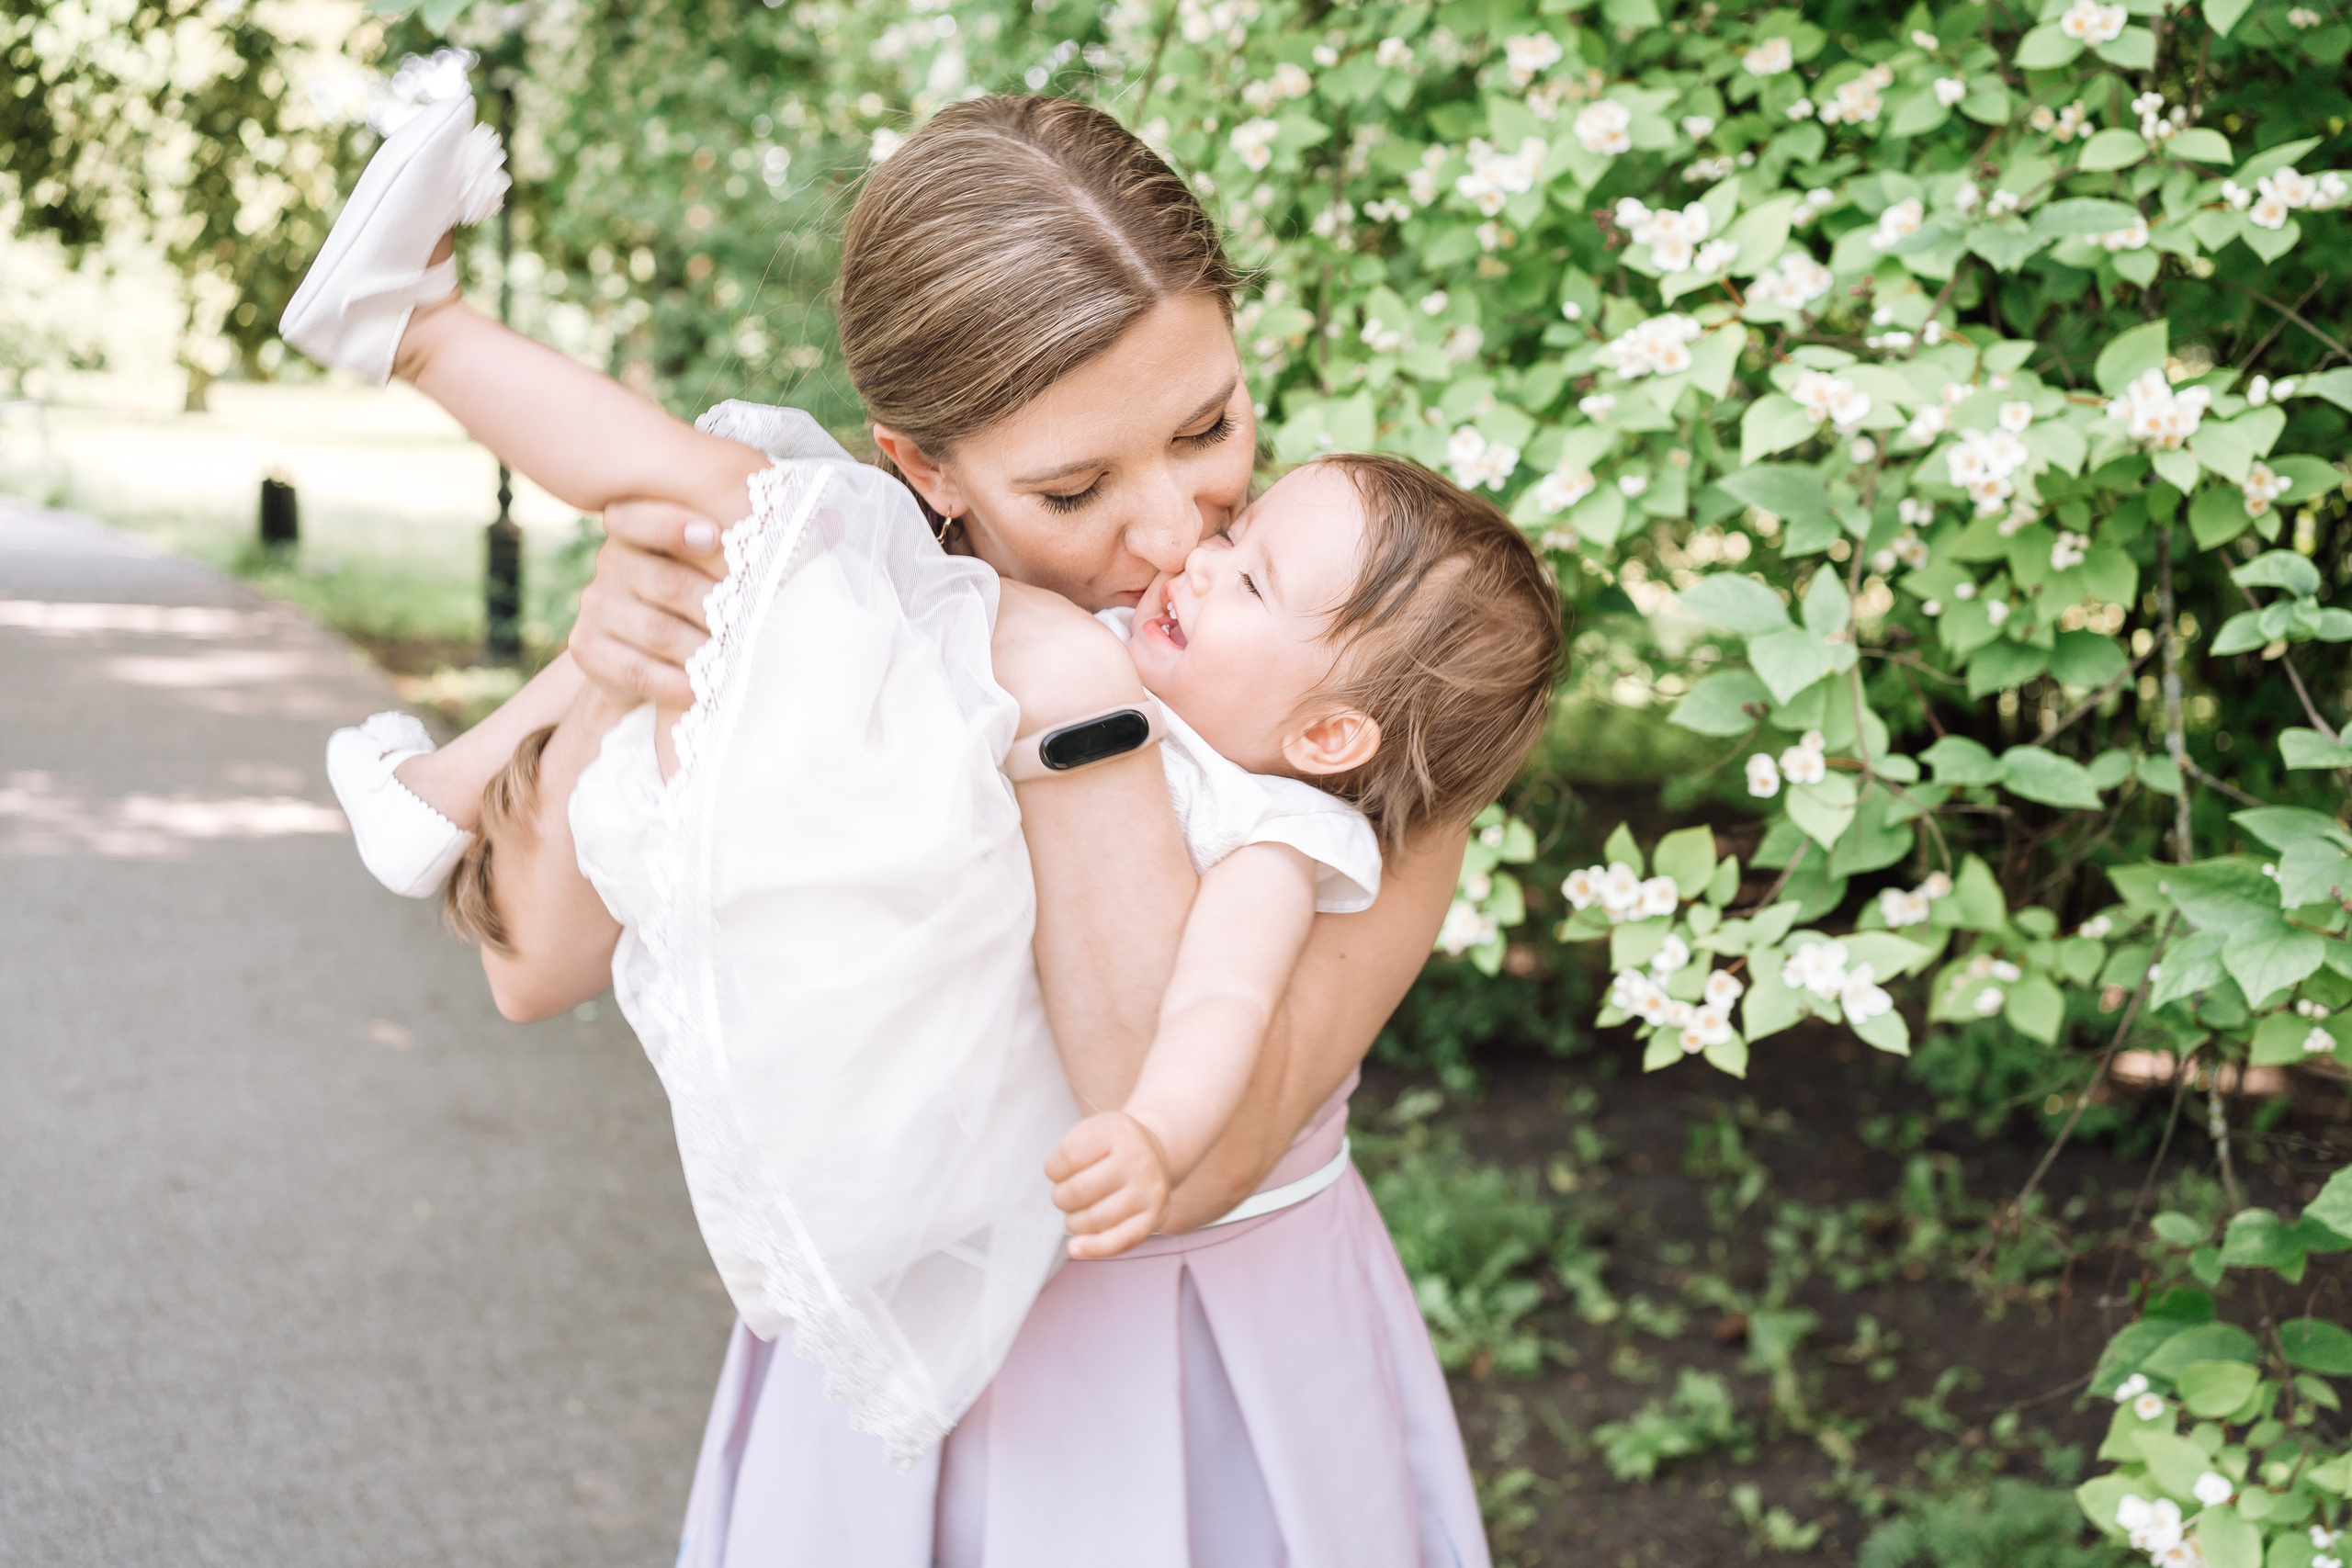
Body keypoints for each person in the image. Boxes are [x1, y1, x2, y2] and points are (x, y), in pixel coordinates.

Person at [302, 90, 1559, 1566]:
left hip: (1208, 1352)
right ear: (925, 469)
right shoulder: (841, 616)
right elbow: (534, 962)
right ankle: (415, 331)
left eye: (1211, 426)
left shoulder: (1352, 688)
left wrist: (1076, 712)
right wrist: (612, 670)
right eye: (1076, 487)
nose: (1174, 531)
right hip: (897, 1359)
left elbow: (1185, 1164)